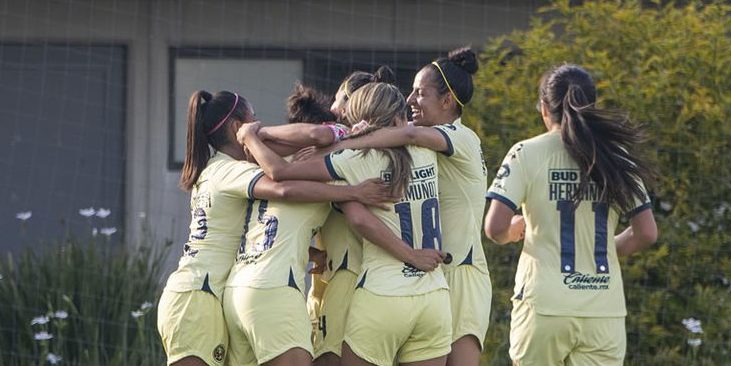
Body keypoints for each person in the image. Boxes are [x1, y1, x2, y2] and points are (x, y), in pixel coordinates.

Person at [157, 90, 390, 366]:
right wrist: (354, 190)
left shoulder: (222, 169)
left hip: (228, 292)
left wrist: (311, 253)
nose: (263, 129)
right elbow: (282, 186)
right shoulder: (235, 171)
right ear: (236, 128)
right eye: (254, 120)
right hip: (218, 294)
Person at [250, 82, 450, 366]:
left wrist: (253, 135)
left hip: (383, 293)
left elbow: (280, 172)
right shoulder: (428, 152)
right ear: (398, 119)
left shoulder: (351, 160)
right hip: (434, 295)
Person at [322, 47, 491, 366]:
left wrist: (344, 143)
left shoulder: (458, 137)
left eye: (419, 92)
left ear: (446, 101)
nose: (410, 100)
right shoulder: (423, 147)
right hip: (428, 276)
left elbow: (409, 133)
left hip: (462, 272)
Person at [484, 64, 658, 366]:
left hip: (544, 305)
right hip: (603, 309)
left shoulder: (525, 152)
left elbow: (494, 227)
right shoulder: (616, 156)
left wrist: (512, 230)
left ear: (543, 108)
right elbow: (646, 233)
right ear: (592, 106)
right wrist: (600, 249)